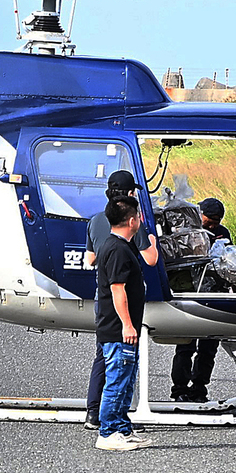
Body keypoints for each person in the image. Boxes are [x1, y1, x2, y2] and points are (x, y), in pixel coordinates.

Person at [84, 170, 158, 430]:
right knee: (121, 363)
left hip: (101, 298)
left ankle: (93, 412)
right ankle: (112, 423)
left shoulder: (95, 220)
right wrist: (151, 239)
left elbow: (89, 260)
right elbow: (151, 259)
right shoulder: (129, 225)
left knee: (102, 356)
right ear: (129, 195)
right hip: (120, 300)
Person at [94, 196, 153, 451]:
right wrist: (127, 325)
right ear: (131, 220)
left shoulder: (120, 244)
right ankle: (107, 432)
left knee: (127, 380)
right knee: (117, 380)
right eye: (138, 216)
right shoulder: (116, 249)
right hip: (118, 328)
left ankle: (122, 427)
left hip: (124, 327)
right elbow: (118, 290)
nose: (139, 220)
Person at [169, 197, 230, 402]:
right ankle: (179, 389)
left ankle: (199, 388)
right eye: (209, 220)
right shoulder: (187, 232)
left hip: (213, 292)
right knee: (186, 345)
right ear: (199, 214)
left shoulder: (223, 233)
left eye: (216, 221)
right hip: (191, 293)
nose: (213, 225)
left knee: (209, 347)